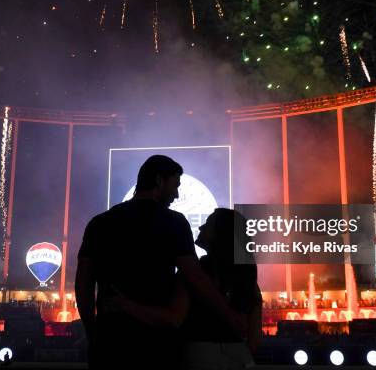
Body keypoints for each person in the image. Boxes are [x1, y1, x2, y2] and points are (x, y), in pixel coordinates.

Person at [75, 155, 245, 369]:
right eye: (175, 185)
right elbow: (196, 278)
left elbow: (83, 285)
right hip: (156, 344)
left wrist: (93, 332)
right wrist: (230, 316)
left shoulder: (98, 224)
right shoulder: (173, 222)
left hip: (110, 341)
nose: (176, 194)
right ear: (158, 180)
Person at [111, 208, 262, 370]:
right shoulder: (248, 276)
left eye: (208, 224)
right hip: (241, 355)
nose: (200, 227)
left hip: (200, 354)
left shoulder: (193, 273)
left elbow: (174, 318)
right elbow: (254, 335)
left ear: (220, 234)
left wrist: (124, 304)